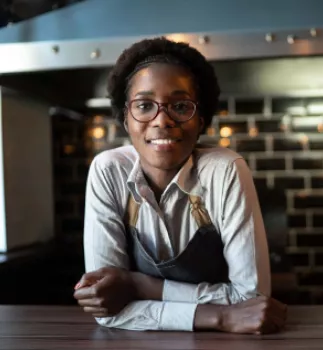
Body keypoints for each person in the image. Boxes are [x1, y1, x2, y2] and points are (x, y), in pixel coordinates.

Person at [73, 37, 287, 334]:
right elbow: (108, 310)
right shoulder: (108, 171)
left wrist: (138, 285)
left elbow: (251, 301)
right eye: (144, 105)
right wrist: (220, 317)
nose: (162, 121)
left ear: (201, 120)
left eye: (181, 106)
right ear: (125, 119)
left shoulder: (225, 170)